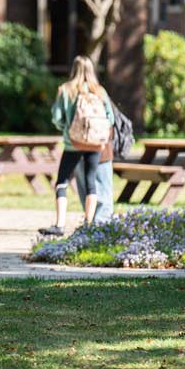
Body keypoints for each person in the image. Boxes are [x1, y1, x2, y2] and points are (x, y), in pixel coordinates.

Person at [39, 56, 114, 237]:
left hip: (72, 144)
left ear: (74, 69)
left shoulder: (66, 90)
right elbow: (110, 118)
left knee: (62, 182)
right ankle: (88, 225)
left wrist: (67, 129)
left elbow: (57, 118)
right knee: (91, 184)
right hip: (95, 145)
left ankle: (59, 224)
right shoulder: (100, 91)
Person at [73, 101, 134, 224]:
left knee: (86, 190)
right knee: (102, 193)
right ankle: (100, 227)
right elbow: (111, 119)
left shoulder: (73, 94)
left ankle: (92, 225)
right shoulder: (100, 93)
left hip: (78, 147)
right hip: (102, 148)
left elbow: (60, 119)